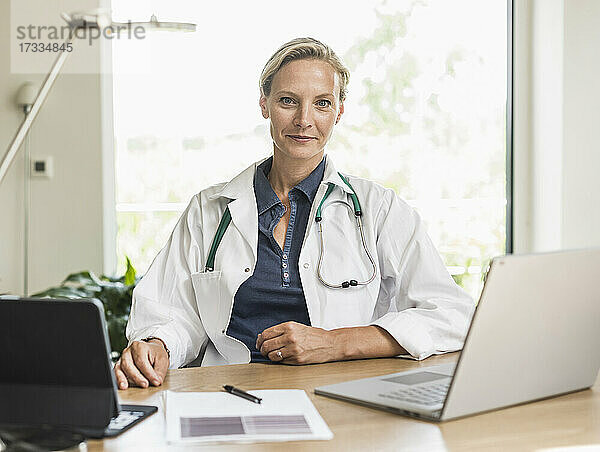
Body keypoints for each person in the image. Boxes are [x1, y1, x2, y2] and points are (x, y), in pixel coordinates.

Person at [114, 37, 474, 390]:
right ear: (264, 105)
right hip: (228, 392)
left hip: (341, 395)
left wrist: (336, 342)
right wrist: (157, 346)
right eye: (288, 101)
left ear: (339, 111)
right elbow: (171, 312)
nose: (304, 120)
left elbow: (453, 316)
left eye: (322, 103)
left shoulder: (379, 210)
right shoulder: (208, 211)